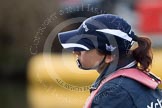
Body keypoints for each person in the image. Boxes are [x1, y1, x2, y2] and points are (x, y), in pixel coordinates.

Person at [58, 14, 162, 108]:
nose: (75, 52)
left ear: (110, 56)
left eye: (83, 47)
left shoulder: (113, 94)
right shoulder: (138, 79)